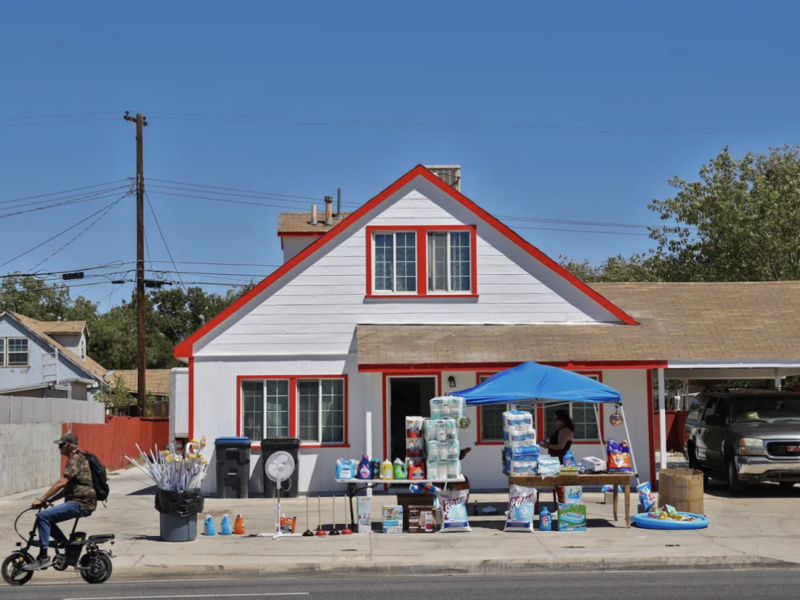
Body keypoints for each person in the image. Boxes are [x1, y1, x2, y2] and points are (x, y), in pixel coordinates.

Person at [24, 433, 97, 571]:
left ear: (68, 446)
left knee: (43, 516)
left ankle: (43, 557)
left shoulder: (75, 459)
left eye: (61, 445)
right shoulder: (77, 459)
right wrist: (49, 500)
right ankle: (64, 543)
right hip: (80, 501)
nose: (59, 448)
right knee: (47, 518)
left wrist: (41, 499)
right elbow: (66, 490)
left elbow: (62, 482)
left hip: (81, 503)